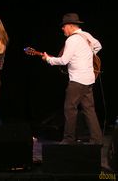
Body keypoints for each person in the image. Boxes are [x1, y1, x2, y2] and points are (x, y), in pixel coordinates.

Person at [41, 12, 103, 145]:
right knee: (89, 109)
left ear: (69, 26)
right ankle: (97, 140)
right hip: (89, 79)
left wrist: (48, 60)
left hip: (77, 81)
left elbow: (64, 60)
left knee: (70, 108)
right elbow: (98, 46)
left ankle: (69, 139)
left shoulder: (72, 40)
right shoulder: (86, 35)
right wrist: (86, 54)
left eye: (63, 26)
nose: (62, 29)